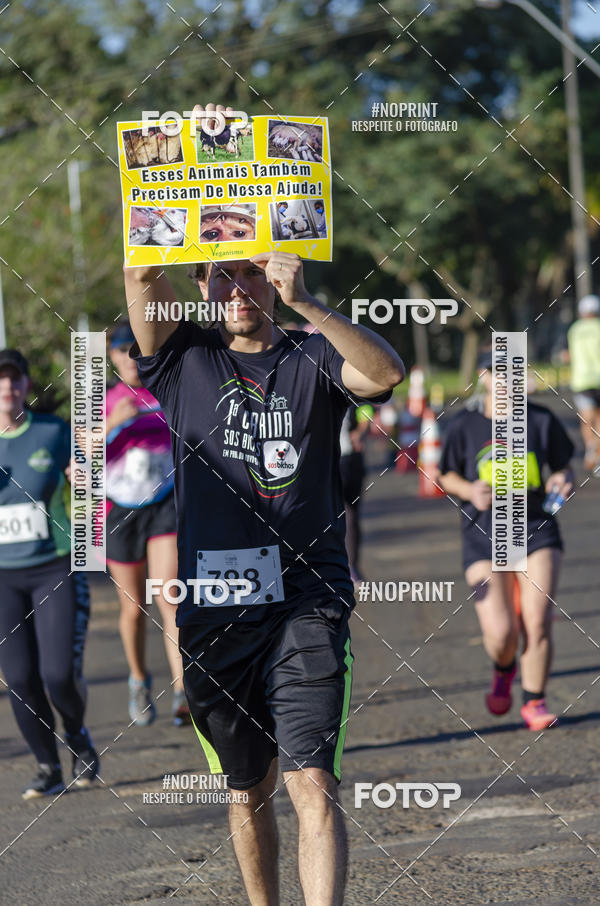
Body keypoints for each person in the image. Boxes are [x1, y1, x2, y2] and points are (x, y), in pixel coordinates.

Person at [123, 99, 405, 906]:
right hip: (216, 609)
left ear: (273, 276)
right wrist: (185, 148)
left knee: (313, 781)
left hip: (309, 600)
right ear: (201, 283)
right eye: (224, 272)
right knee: (248, 791)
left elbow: (384, 374)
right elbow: (140, 269)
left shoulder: (314, 356)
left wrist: (308, 299)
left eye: (253, 269)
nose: (240, 285)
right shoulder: (180, 359)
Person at [439, 349, 574, 731]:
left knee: (538, 621)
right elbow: (445, 475)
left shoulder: (540, 419)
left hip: (536, 529)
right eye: (497, 373)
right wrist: (469, 489)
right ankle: (504, 667)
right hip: (484, 535)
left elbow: (564, 467)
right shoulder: (464, 426)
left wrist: (562, 479)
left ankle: (534, 700)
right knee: (501, 634)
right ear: (483, 376)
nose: (506, 381)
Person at [0, 349, 99, 798]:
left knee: (58, 674)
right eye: (0, 379)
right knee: (20, 679)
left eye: (14, 377)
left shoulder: (52, 431)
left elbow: (90, 482)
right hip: (4, 578)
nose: (7, 386)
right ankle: (47, 766)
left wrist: (85, 476)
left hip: (52, 568)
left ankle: (77, 734)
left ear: (25, 383)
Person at [105, 320, 189, 727]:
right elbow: (78, 460)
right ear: (112, 356)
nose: (130, 357)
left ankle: (183, 689)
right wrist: (113, 424)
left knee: (169, 596)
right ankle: (138, 680)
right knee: (133, 608)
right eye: (122, 350)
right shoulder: (103, 400)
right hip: (119, 510)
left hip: (163, 504)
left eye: (135, 349)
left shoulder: (165, 390)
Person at [566, 293, 600, 473]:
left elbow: (568, 354)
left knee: (587, 419)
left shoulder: (575, 329)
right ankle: (598, 453)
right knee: (599, 418)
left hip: (581, 380)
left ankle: (590, 448)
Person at [339, 404, 372, 583]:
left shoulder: (356, 397)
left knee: (350, 513)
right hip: (329, 460)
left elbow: (367, 412)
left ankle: (352, 566)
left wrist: (360, 432)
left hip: (350, 462)